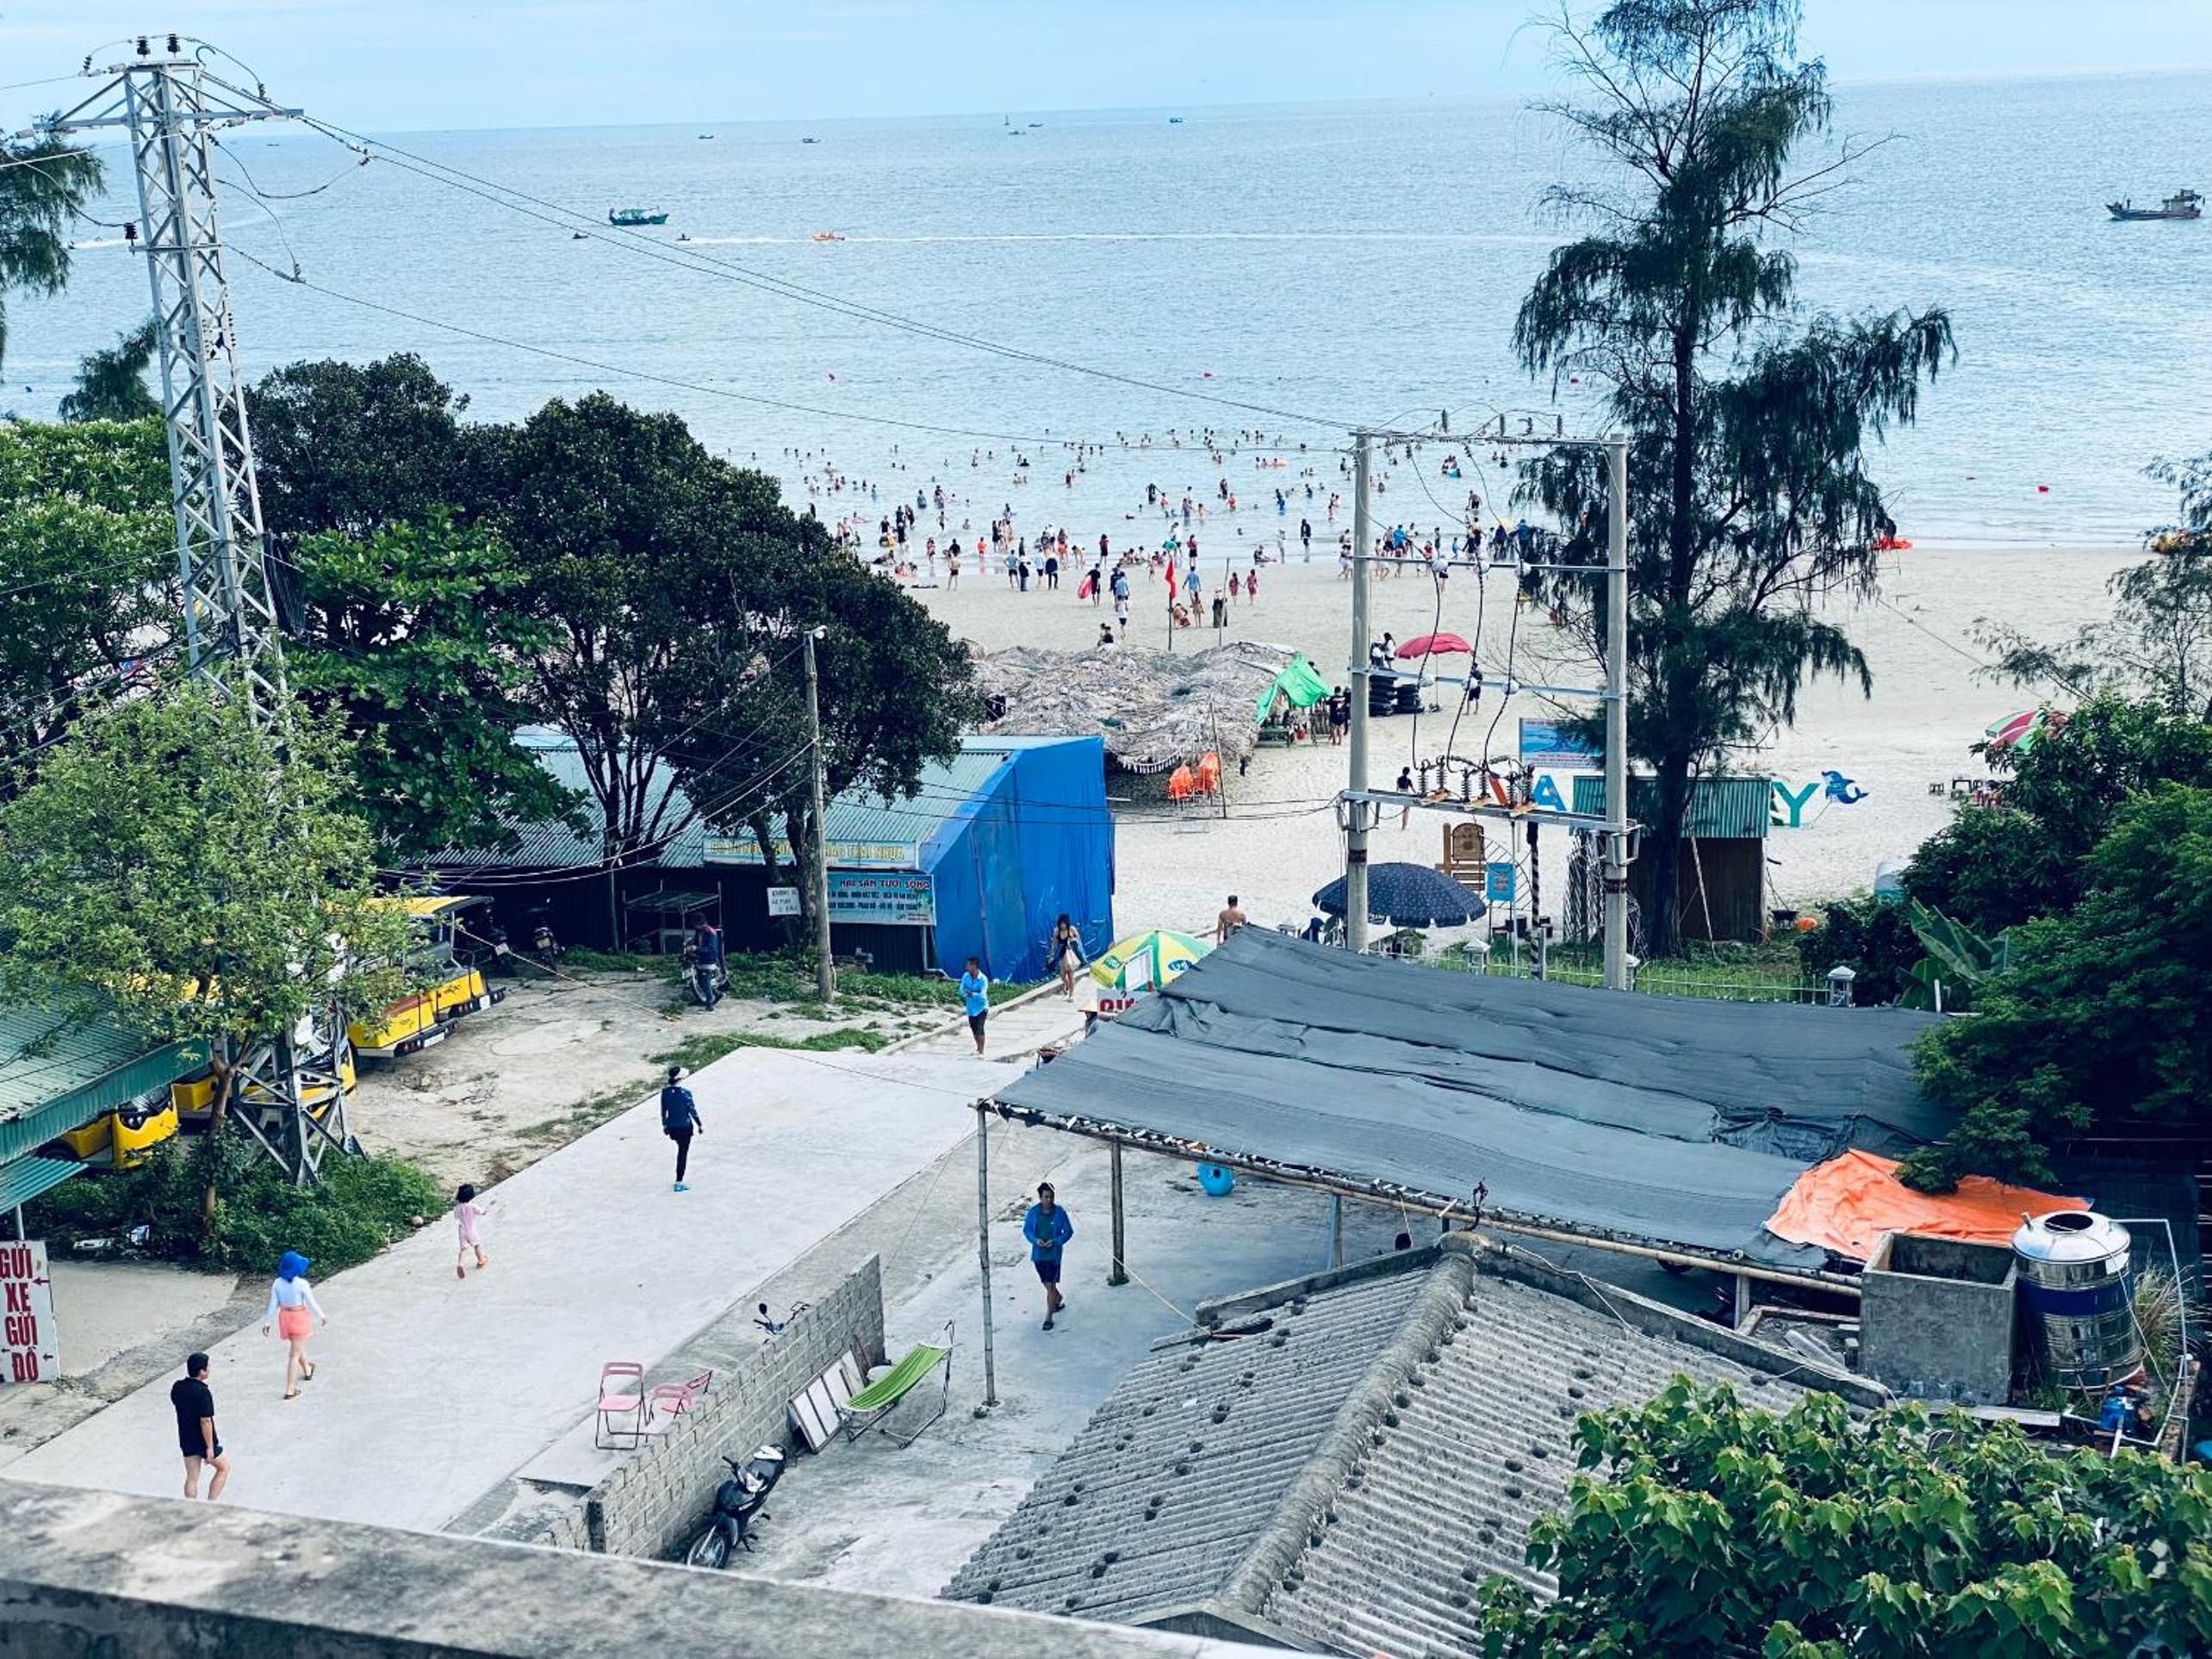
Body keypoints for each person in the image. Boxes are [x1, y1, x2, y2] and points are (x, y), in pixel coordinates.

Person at [262, 1251, 326, 1401]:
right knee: (294, 1354)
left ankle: (307, 1369)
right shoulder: (302, 1284)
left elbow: (273, 1304)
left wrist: (267, 1322)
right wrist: (322, 1316)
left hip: (285, 1317)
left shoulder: (277, 1283)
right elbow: (311, 1302)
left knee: (296, 1346)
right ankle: (290, 1389)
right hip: (299, 1317)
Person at [171, 1352, 228, 1501]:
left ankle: (191, 1507)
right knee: (223, 1468)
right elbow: (205, 1421)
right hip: (203, 1440)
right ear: (202, 1371)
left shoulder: (177, 1387)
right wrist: (209, 1447)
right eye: (208, 1367)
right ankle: (211, 1502)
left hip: (186, 1438)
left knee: (192, 1477)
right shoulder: (203, 1392)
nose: (209, 1369)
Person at [1022, 1182, 1074, 1330]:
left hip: (1053, 1255)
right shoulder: (1034, 1212)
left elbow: (1068, 1232)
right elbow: (1027, 1230)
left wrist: (1056, 1241)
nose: (1049, 1200)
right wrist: (1036, 1240)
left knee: (1051, 1285)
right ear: (1040, 1198)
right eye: (1046, 1197)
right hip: (1039, 1255)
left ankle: (1048, 1317)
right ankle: (1057, 1298)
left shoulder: (1059, 1212)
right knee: (1046, 1283)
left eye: (1051, 1196)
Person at [661, 1066, 703, 1192]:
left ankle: (679, 1180)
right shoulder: (685, 1093)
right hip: (685, 1127)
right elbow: (692, 1111)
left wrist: (665, 1125)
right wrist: (699, 1124)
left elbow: (663, 1111)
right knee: (682, 1153)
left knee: (681, 1149)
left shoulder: (665, 1092)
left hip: (672, 1127)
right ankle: (679, 1181)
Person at [454, 1182, 491, 1279]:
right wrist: (487, 1209)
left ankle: (460, 1264)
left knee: (463, 1249)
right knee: (477, 1245)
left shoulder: (458, 1207)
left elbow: (456, 1217)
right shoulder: (472, 1206)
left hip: (462, 1230)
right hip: (471, 1229)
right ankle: (481, 1261)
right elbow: (482, 1212)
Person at [958, 956, 991, 1055]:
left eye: (968, 965)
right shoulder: (966, 976)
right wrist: (966, 994)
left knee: (980, 1028)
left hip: (981, 1007)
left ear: (974, 966)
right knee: (974, 1029)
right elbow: (961, 989)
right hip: (971, 1008)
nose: (966, 967)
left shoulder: (983, 979)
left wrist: (972, 994)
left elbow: (983, 995)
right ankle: (978, 1047)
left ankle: (981, 1051)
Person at [690, 920, 724, 1010]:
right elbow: (696, 943)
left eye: (696, 925)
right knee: (701, 982)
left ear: (701, 924)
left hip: (709, 959)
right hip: (701, 958)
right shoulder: (699, 931)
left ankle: (709, 1003)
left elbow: (711, 949)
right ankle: (717, 994)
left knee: (705, 981)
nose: (695, 927)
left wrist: (696, 949)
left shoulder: (711, 933)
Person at [1050, 914, 1085, 998]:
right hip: (1062, 955)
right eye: (1061, 923)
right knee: (1062, 976)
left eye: (1064, 923)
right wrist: (1051, 955)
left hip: (1071, 955)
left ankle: (1071, 995)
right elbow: (1054, 943)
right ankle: (1067, 985)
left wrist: (1071, 939)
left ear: (1067, 923)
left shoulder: (1071, 929)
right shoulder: (1057, 931)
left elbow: (1078, 938)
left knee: (1070, 975)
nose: (1063, 925)